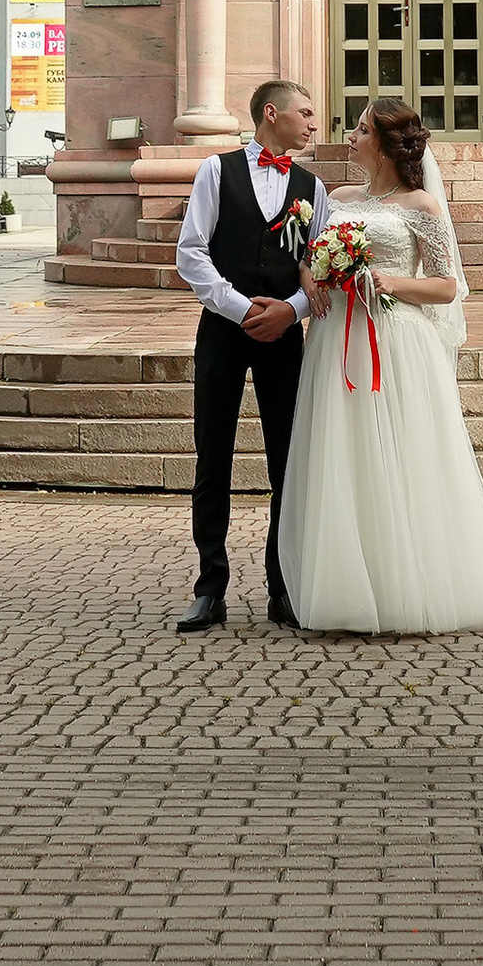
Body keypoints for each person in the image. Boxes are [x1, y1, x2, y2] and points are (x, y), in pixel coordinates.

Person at [279, 95, 483, 636]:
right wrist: (313, 282)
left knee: (398, 454)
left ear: (385, 145)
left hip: (395, 340)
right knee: (342, 454)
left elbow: (446, 285)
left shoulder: (422, 207)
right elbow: (310, 259)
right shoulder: (336, 199)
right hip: (335, 339)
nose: (352, 137)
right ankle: (345, 586)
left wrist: (391, 283)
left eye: (362, 131)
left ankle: (406, 586)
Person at [173, 77, 329, 633]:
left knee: (287, 461)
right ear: (272, 113)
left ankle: (281, 586)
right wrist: (241, 309)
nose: (314, 124)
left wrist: (290, 310)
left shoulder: (313, 187)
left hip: (284, 336)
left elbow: (322, 267)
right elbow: (191, 253)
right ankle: (209, 587)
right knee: (211, 457)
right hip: (222, 329)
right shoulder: (216, 172)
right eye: (305, 113)